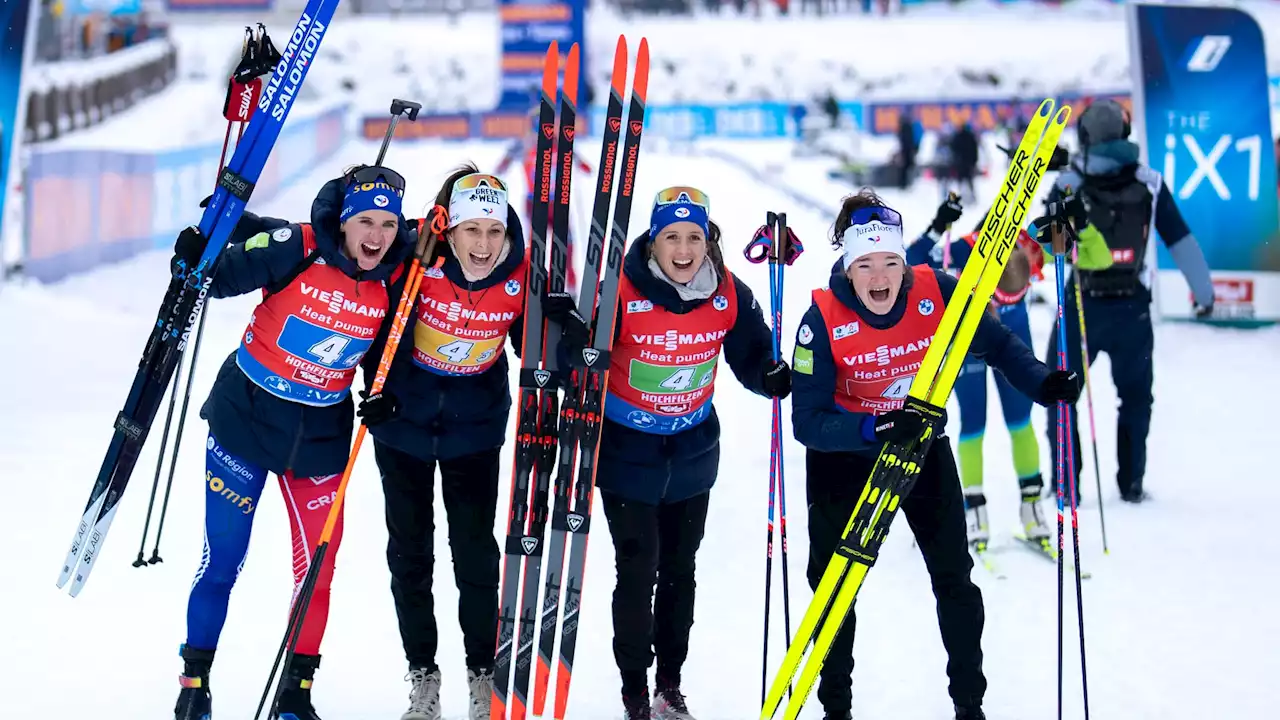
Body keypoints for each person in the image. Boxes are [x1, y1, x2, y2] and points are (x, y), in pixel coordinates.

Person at [789, 189, 1082, 720]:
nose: (881, 278)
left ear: (904, 262)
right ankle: (837, 709)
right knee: (834, 594)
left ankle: (969, 705)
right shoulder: (821, 319)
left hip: (921, 448)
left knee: (955, 579)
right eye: (867, 265)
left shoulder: (936, 290)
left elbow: (996, 344)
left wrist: (1045, 384)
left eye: (891, 263)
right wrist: (874, 426)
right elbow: (807, 422)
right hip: (845, 459)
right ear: (849, 267)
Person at [173, 166, 413, 720]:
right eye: (364, 222)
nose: (375, 236)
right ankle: (194, 683)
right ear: (343, 222)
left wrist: (390, 394)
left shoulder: (400, 271)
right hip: (246, 419)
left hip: (320, 437)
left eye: (386, 223)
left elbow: (403, 343)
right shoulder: (298, 246)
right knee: (223, 560)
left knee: (317, 571)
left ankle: (295, 695)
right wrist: (197, 254)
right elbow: (219, 278)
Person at [554, 187, 789, 719]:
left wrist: (768, 376)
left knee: (681, 570)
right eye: (671, 237)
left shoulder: (727, 291)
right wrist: (568, 337)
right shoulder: (620, 289)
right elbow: (581, 358)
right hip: (626, 453)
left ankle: (670, 685)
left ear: (708, 242)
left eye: (694, 238)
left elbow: (752, 352)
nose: (683, 250)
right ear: (653, 241)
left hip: (692, 452)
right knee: (638, 570)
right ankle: (635, 690)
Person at [354, 166, 527, 720]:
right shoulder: (415, 257)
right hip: (403, 423)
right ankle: (423, 676)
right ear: (450, 231)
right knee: (410, 554)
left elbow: (530, 344)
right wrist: (374, 384)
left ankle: (483, 673)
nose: (482, 245)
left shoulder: (520, 274)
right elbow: (369, 311)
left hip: (474, 431)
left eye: (493, 233)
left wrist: (563, 334)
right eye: (471, 231)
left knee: (475, 554)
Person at [1033, 98, 1214, 503]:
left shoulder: (1068, 182)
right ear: (1125, 133)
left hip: (1081, 304)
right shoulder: (1149, 181)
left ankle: (1065, 484)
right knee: (1135, 398)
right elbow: (1180, 240)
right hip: (1133, 307)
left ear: (1084, 136)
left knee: (1058, 392)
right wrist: (1204, 294)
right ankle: (1131, 482)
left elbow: (1044, 244)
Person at [906, 201, 1055, 548]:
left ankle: (1032, 508)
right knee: (974, 423)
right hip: (970, 338)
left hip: (1014, 337)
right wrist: (937, 223)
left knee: (1020, 419)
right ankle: (975, 512)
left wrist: (1063, 215)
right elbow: (912, 260)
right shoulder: (961, 250)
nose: (1001, 306)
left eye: (1010, 298)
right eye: (999, 299)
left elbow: (1067, 244)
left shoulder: (1026, 244)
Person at [495, 108, 592, 296]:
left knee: (566, 248)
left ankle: (571, 290)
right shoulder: (524, 144)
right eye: (537, 123)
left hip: (559, 205)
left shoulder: (561, 144)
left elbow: (584, 165)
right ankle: (535, 287)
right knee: (536, 249)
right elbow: (501, 166)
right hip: (536, 205)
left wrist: (580, 164)